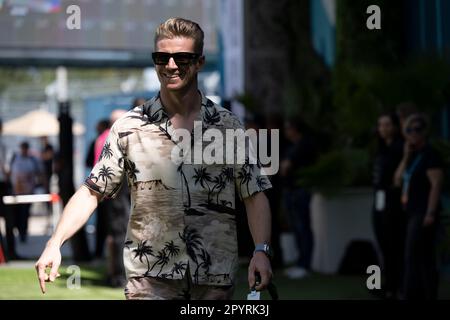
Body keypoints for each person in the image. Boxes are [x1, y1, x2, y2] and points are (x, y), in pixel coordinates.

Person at [36, 17, 273, 300]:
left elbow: (254, 193)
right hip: (149, 279)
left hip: (214, 279)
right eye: (162, 57)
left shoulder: (227, 126)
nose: (171, 65)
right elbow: (92, 191)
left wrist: (261, 250)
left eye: (182, 58)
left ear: (199, 62)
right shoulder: (129, 126)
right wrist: (54, 243)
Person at [394, 113, 444, 300]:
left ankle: (411, 294)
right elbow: (398, 180)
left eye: (417, 129)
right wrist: (406, 156)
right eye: (409, 130)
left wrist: (430, 212)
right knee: (422, 257)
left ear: (424, 131)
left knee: (414, 255)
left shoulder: (431, 155)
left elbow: (436, 184)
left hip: (423, 212)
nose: (413, 134)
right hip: (410, 210)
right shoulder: (412, 155)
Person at [372, 113, 405, 299]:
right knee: (383, 243)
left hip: (393, 201)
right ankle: (388, 284)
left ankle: (397, 285)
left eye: (386, 124)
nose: (382, 128)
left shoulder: (400, 148)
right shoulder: (381, 148)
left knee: (394, 244)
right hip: (379, 199)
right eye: (380, 124)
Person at [280, 118, 317, 279]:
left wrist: (286, 166)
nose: (286, 131)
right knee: (296, 227)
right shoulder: (291, 146)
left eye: (289, 128)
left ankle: (305, 264)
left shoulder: (304, 144)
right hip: (290, 190)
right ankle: (300, 261)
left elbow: (287, 166)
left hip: (300, 190)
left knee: (303, 226)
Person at [10, 141, 43, 243]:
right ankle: (20, 231)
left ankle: (23, 234)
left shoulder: (32, 160)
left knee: (25, 213)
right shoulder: (15, 158)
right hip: (17, 192)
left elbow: (39, 173)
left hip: (28, 191)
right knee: (17, 214)